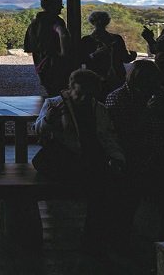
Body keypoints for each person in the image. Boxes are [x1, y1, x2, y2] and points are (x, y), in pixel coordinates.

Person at [32, 69, 127, 253]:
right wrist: (48, 120)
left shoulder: (98, 108)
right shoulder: (54, 105)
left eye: (88, 94)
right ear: (70, 88)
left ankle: (98, 236)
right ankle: (98, 238)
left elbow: (107, 136)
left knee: (104, 186)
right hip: (63, 158)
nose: (83, 98)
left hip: (82, 160)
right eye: (79, 94)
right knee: (102, 187)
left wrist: (118, 158)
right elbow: (38, 130)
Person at [104, 60, 164, 240]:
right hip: (132, 159)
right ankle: (147, 233)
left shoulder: (161, 96)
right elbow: (122, 135)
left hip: (161, 157)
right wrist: (148, 113)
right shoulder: (117, 98)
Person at [24, 0, 74, 96]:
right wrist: (64, 54)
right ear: (53, 6)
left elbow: (30, 45)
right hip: (55, 63)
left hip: (41, 63)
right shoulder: (55, 21)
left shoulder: (35, 22)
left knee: (51, 90)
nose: (62, 6)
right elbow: (63, 34)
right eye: (60, 4)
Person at [80, 11, 137, 95]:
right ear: (107, 22)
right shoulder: (116, 38)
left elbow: (82, 60)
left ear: (92, 22)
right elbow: (126, 59)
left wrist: (94, 55)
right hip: (115, 77)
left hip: (97, 77)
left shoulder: (87, 40)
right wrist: (133, 55)